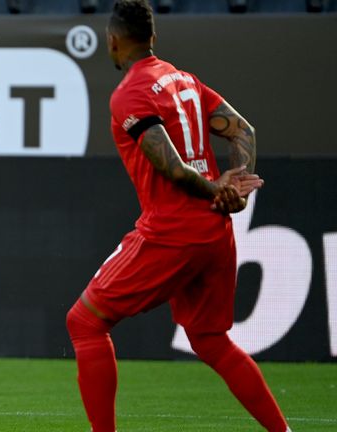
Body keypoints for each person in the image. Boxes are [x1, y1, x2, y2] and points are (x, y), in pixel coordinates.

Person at [65, 1, 291, 431]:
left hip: (172, 230)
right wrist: (235, 185)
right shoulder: (181, 78)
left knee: (85, 321)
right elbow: (244, 130)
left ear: (112, 41)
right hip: (214, 230)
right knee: (209, 339)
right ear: (153, 38)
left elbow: (171, 167)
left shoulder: (130, 93)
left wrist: (219, 188)